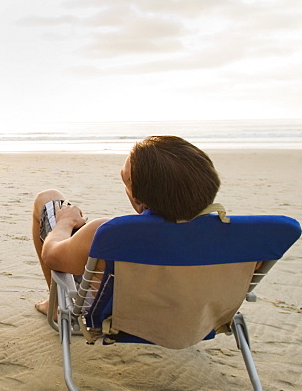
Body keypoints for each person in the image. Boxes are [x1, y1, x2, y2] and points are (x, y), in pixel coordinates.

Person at [32, 135, 221, 314]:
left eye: (126, 181)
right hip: (185, 312)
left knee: (48, 197)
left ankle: (55, 304)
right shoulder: (234, 235)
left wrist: (65, 223)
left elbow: (51, 255)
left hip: (113, 313)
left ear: (139, 200)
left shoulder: (107, 233)